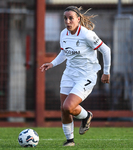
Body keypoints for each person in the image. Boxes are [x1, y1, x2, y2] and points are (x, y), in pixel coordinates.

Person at [40, 6, 111, 146]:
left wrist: (106, 72)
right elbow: (64, 53)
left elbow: (106, 50)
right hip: (69, 74)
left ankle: (87, 116)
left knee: (68, 106)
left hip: (86, 76)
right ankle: (70, 141)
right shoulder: (63, 34)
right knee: (64, 109)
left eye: (71, 18)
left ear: (78, 19)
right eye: (65, 18)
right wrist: (52, 64)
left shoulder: (87, 34)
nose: (68, 21)